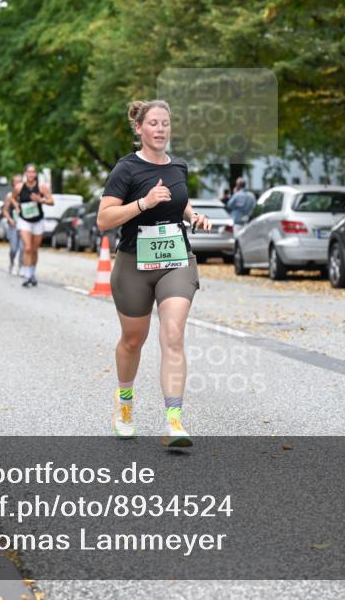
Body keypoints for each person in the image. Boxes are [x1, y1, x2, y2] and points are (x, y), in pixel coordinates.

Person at [96, 100, 212, 448]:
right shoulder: (125, 170)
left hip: (175, 258)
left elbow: (180, 200)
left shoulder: (178, 166)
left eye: (165, 124)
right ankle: (125, 407)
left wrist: (194, 216)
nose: (160, 129)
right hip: (133, 263)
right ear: (139, 129)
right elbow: (104, 219)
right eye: (153, 124)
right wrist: (144, 203)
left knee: (173, 334)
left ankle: (174, 422)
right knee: (133, 340)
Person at [11, 164, 53, 287]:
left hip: (37, 221)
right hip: (24, 221)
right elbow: (13, 198)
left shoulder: (41, 187)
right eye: (29, 172)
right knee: (27, 248)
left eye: (33, 172)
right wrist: (17, 206)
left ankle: (32, 273)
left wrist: (40, 200)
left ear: (35, 174)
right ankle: (26, 275)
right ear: (25, 173)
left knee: (34, 249)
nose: (31, 174)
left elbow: (51, 201)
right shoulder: (19, 187)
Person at [1, 174, 25, 276]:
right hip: (13, 225)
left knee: (23, 248)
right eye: (16, 181)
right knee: (14, 248)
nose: (18, 183)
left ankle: (20, 267)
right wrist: (10, 220)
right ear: (12, 183)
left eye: (20, 181)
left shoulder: (25, 195)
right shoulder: (9, 196)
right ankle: (11, 263)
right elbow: (5, 211)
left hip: (24, 225)